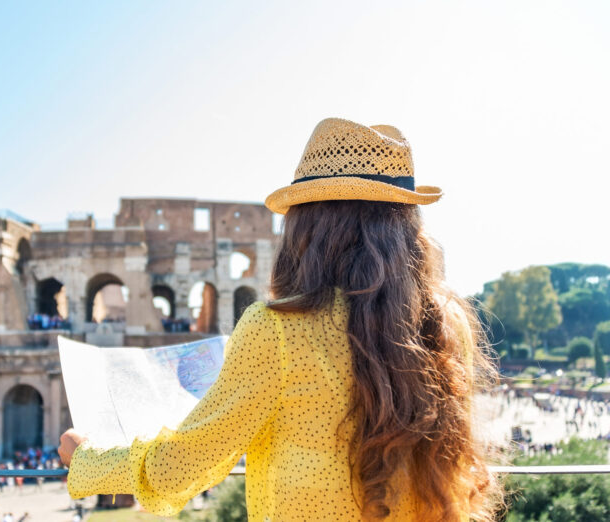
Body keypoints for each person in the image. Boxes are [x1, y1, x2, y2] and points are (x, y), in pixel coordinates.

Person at [58, 118, 502, 520]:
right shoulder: (444, 323)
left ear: (307, 226)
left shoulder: (276, 330)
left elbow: (187, 463)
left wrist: (90, 461)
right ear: (407, 225)